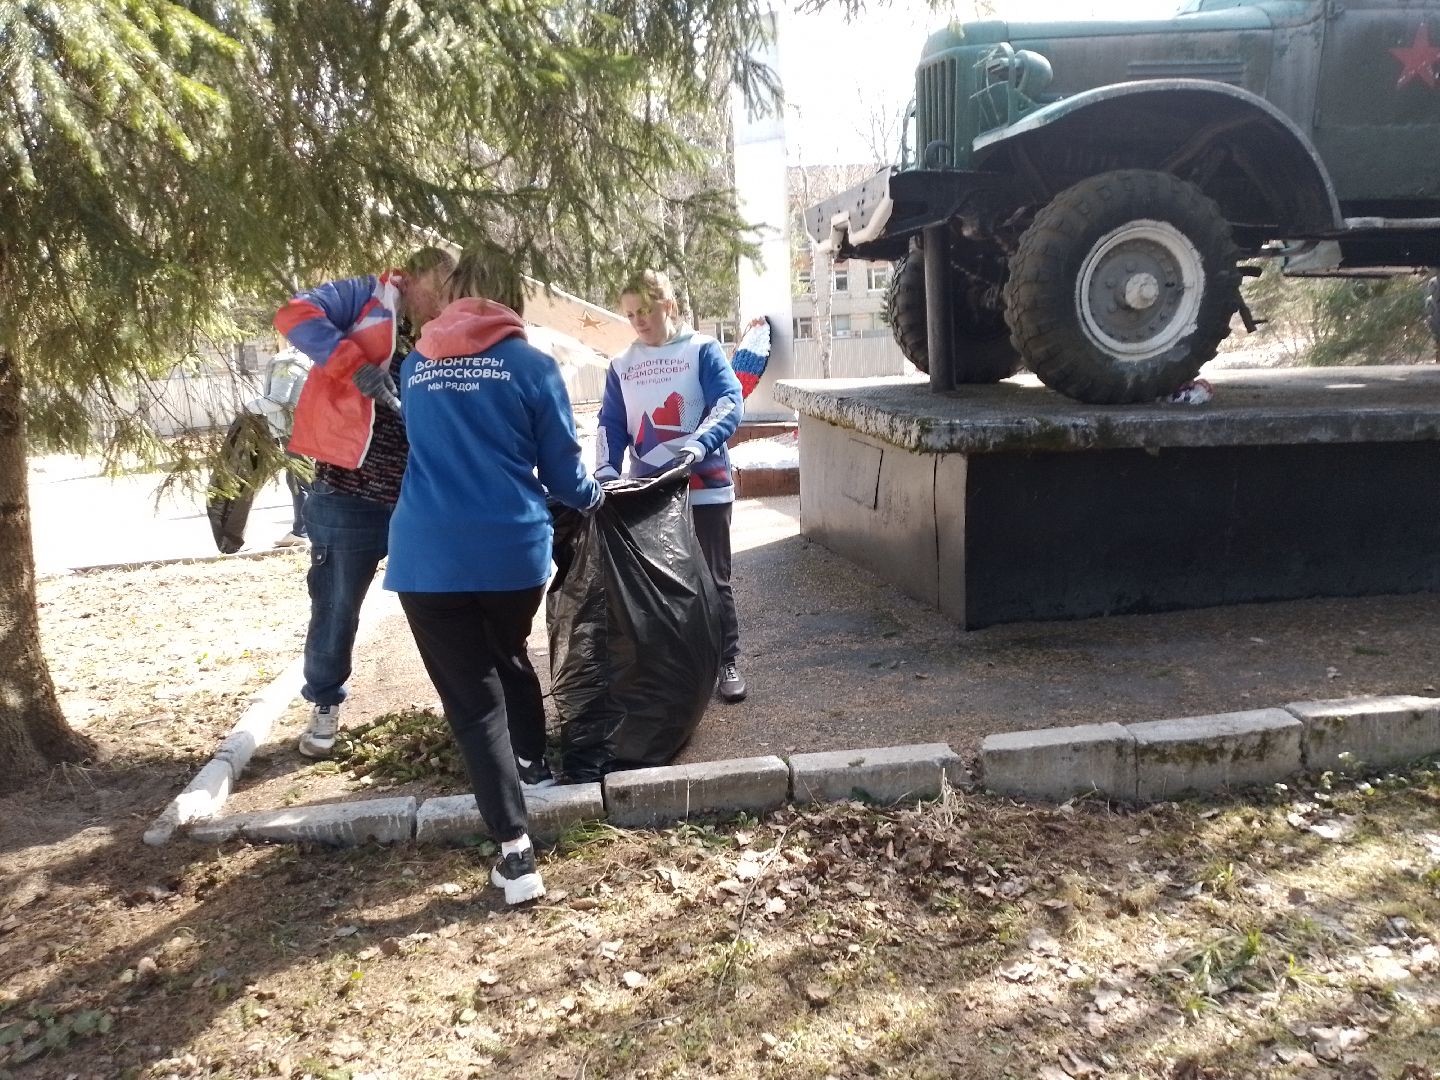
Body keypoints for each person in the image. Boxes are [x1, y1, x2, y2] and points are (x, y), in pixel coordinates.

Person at [381, 249, 602, 905]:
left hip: (428, 557)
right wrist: (591, 498)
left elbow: (430, 447)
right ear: (512, 303)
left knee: (473, 704)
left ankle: (515, 853)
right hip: (512, 554)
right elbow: (565, 474)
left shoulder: (418, 366)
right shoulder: (532, 366)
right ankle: (532, 763)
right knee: (508, 653)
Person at [273, 247, 456, 758]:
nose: (441, 307)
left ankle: (464, 708)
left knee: (446, 603)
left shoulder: (443, 327)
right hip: (348, 492)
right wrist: (354, 366)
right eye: (436, 293)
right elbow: (293, 315)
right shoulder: (362, 297)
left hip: (419, 495)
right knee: (336, 606)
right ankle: (325, 702)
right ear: (411, 278)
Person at [595, 269, 747, 701]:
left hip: (705, 487)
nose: (639, 321)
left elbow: (728, 402)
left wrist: (698, 447)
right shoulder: (621, 365)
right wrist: (606, 473)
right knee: (663, 585)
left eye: (646, 310)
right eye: (630, 314)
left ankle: (727, 661)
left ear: (669, 306)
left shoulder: (702, 349)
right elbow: (610, 424)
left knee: (714, 580)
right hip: (652, 494)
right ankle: (677, 670)